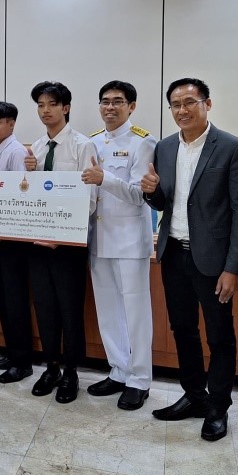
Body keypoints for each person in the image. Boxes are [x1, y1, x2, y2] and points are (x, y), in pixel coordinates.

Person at [141, 77, 238, 442]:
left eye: (190, 102)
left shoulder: (233, 148)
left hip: (214, 261)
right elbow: (164, 203)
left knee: (220, 336)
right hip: (173, 254)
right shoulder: (165, 147)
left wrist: (234, 266)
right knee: (183, 330)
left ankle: (218, 408)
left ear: (207, 103)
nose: (182, 110)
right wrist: (151, 194)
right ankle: (193, 396)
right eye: (175, 104)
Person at [82, 81, 156, 410]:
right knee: (109, 310)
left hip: (128, 241)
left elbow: (141, 194)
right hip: (99, 238)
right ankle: (119, 370)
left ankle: (140, 379)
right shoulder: (93, 142)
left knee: (136, 312)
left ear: (132, 106)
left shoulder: (143, 142)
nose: (110, 108)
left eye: (117, 102)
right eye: (105, 102)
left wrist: (105, 179)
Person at [24, 81, 97, 404]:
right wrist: (27, 176)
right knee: (45, 307)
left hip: (68, 245)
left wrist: (61, 233)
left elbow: (90, 200)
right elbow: (30, 196)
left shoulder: (82, 146)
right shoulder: (36, 149)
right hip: (38, 242)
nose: (45, 110)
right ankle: (50, 365)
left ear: (66, 107)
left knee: (69, 309)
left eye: (52, 104)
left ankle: (71, 371)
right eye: (40, 105)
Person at [0, 101, 33, 384]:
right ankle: (13, 353)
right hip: (1, 237)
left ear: (11, 124)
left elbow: (17, 200)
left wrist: (0, 234)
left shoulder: (16, 152)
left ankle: (23, 362)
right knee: (4, 299)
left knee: (15, 301)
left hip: (13, 240)